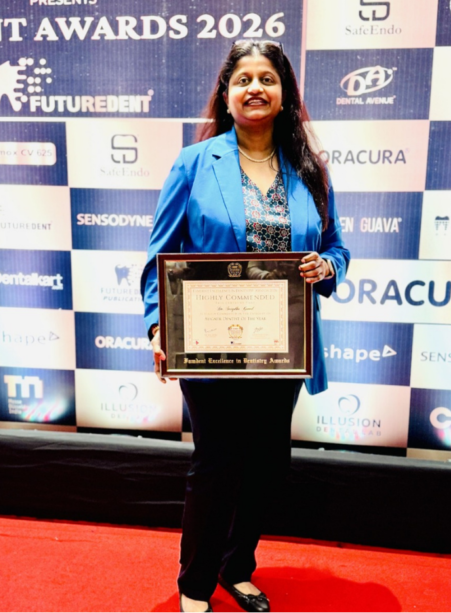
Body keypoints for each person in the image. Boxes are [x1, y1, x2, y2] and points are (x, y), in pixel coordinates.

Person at [139, 40, 350, 613]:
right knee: (215, 466)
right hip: (210, 348)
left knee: (264, 466)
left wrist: (327, 266)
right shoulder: (194, 163)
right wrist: (159, 328)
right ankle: (195, 585)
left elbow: (337, 246)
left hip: (282, 350)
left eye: (267, 79)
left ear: (285, 94)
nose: (255, 88)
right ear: (227, 93)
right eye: (243, 79)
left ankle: (237, 569)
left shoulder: (309, 168)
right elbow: (159, 257)